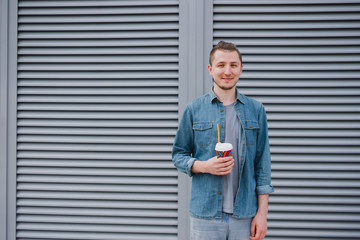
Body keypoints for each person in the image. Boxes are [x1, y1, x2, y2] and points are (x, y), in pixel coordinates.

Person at [172, 41, 274, 240]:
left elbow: (263, 166)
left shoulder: (256, 110)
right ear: (210, 69)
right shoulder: (194, 109)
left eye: (233, 65)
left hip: (245, 215)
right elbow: (178, 155)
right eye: (221, 65)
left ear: (241, 69)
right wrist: (203, 166)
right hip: (206, 216)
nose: (227, 71)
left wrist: (262, 215)